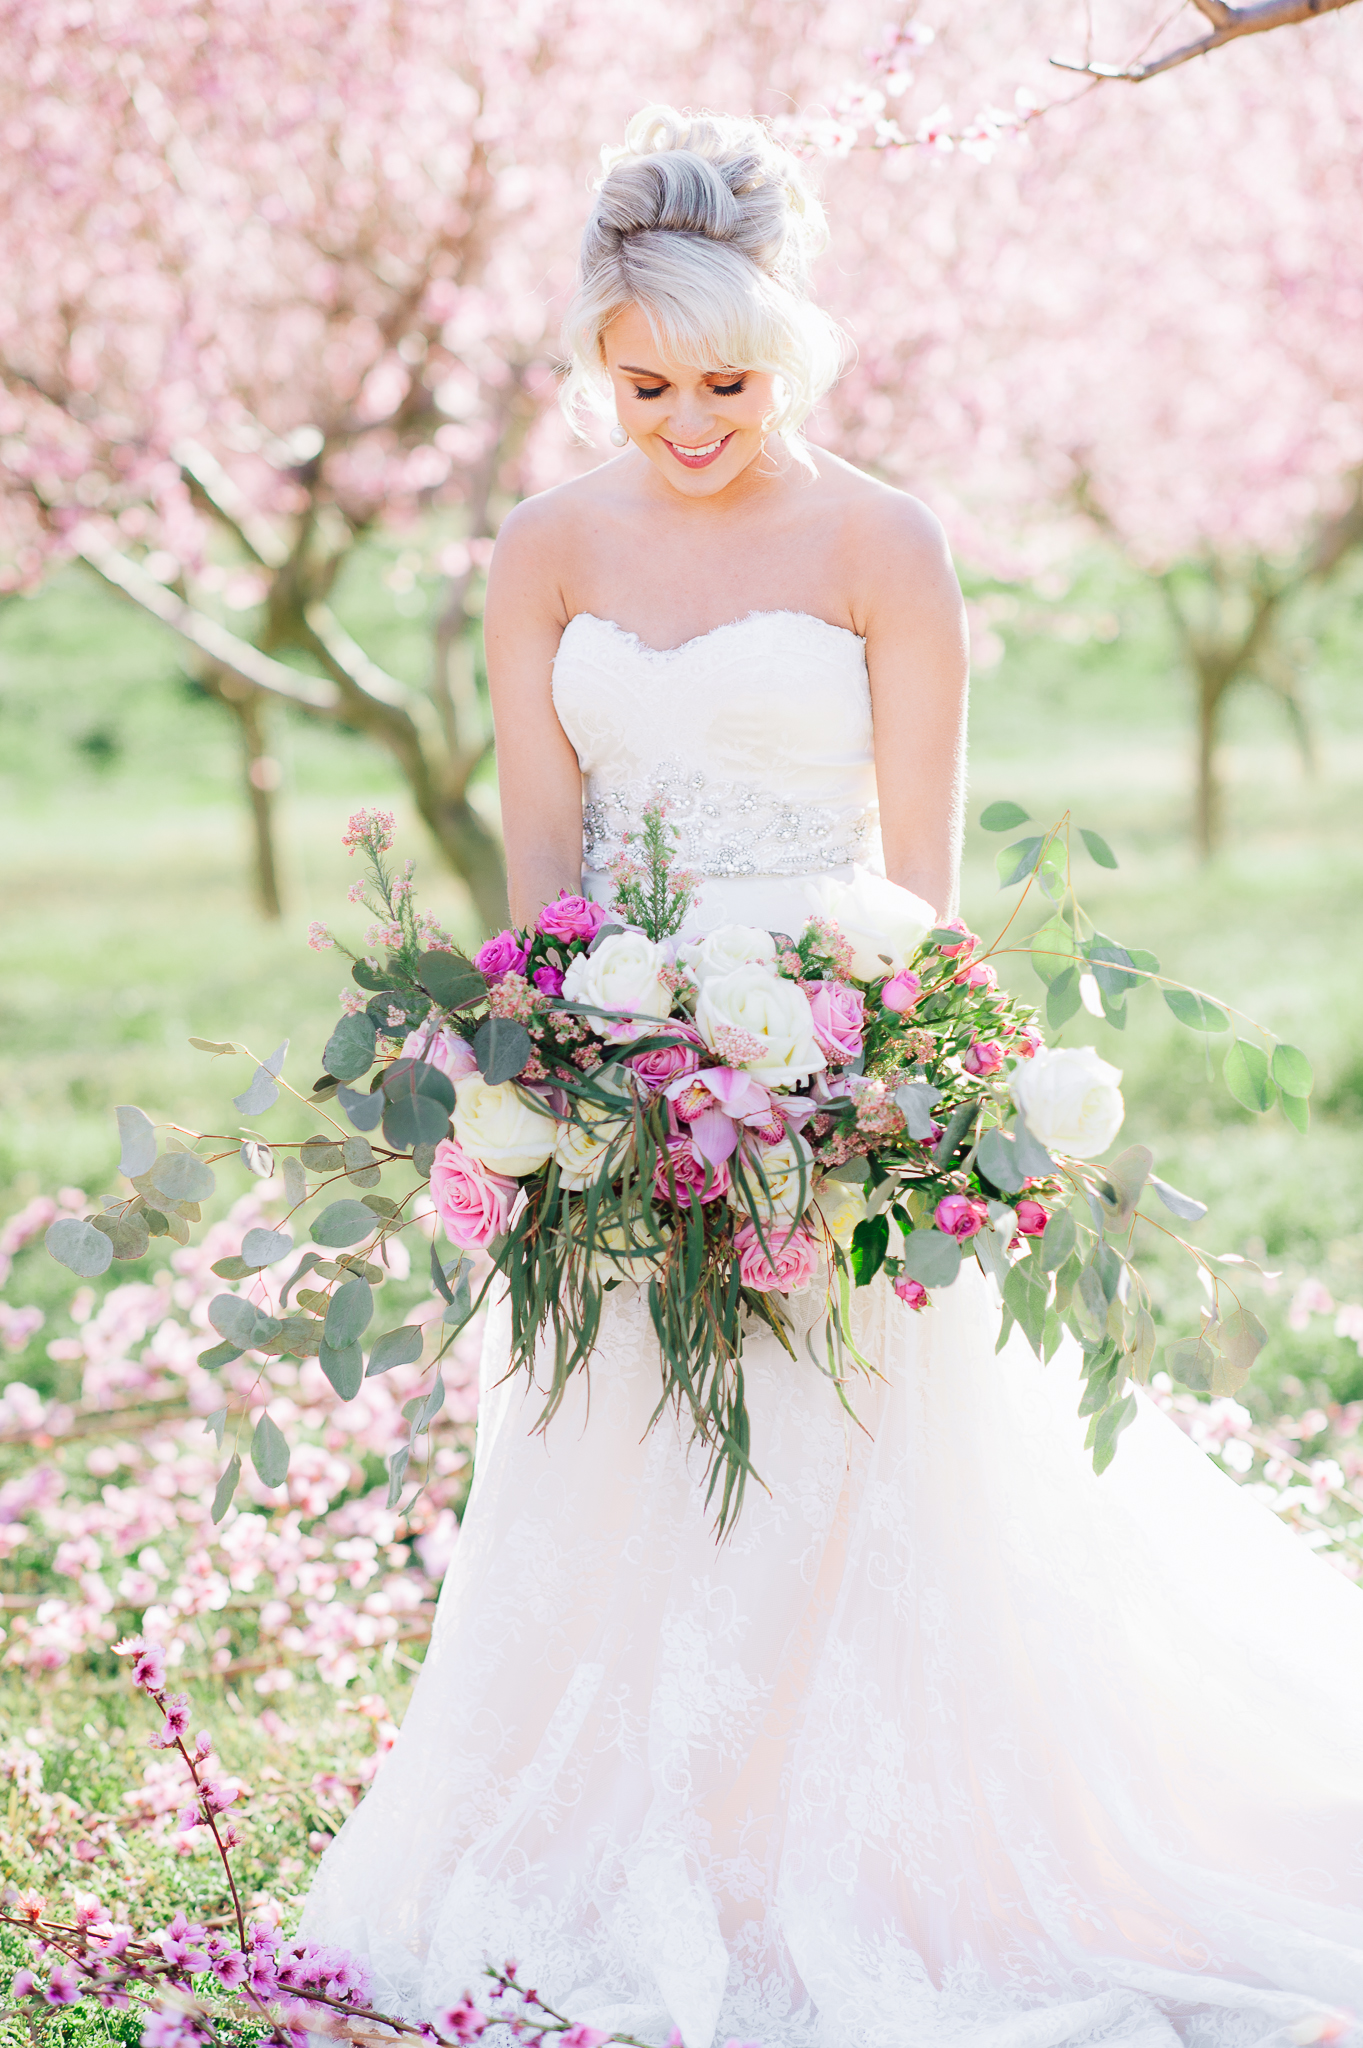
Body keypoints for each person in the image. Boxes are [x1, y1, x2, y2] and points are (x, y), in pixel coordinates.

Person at [300, 106, 1363, 2048]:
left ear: (793, 345)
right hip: (618, 1076)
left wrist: (863, 1084)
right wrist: (556, 1080)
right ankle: (650, 1837)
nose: (688, 421)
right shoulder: (543, 550)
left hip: (830, 1065)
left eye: (727, 379)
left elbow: (920, 889)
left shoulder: (884, 541)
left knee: (862, 1481)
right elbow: (542, 878)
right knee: (620, 1466)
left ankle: (888, 1849)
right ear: (592, 365)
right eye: (643, 385)